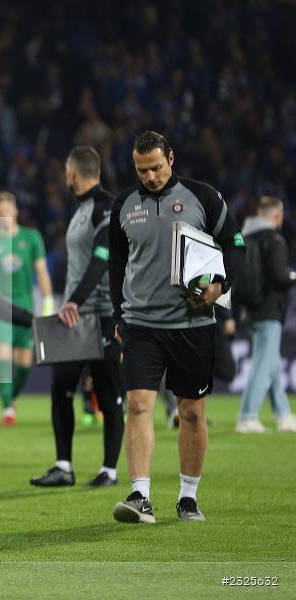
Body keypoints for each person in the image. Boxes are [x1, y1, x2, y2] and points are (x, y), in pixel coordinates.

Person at [108, 130, 244, 523]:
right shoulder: (124, 204)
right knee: (137, 405)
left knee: (192, 413)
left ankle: (187, 497)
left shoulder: (203, 197)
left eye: (155, 168)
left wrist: (220, 288)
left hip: (191, 322)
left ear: (171, 158)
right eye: (141, 170)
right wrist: (120, 313)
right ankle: (139, 495)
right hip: (141, 324)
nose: (149, 177)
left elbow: (234, 244)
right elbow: (117, 264)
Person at [30, 147, 124, 488]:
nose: (64, 177)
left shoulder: (106, 208)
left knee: (109, 392)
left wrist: (75, 300)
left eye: (66, 171)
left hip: (99, 315)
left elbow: (102, 259)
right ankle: (63, 467)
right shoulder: (82, 209)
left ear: (73, 172)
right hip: (74, 317)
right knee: (61, 390)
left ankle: (109, 471)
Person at [0, 191, 54, 425]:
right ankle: (7, 410)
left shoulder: (31, 238)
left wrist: (49, 301)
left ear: (15, 211)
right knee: (2, 356)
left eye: (6, 210)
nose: (3, 215)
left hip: (26, 308)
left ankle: (12, 399)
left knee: (23, 363)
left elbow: (41, 271)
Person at [236, 196, 296, 433]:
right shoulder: (274, 240)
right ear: (277, 216)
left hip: (248, 310)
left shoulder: (246, 237)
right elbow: (280, 277)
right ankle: (247, 416)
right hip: (270, 311)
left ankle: (283, 414)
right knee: (263, 366)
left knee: (270, 364)